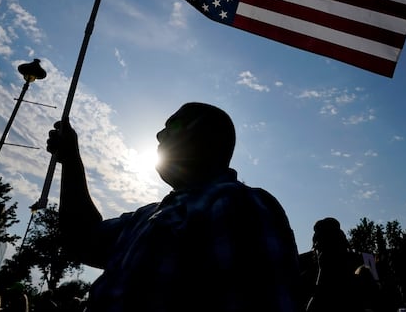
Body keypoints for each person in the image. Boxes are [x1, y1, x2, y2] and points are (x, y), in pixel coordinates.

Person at [47, 102, 301, 312]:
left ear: (209, 139)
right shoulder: (145, 215)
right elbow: (82, 239)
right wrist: (70, 160)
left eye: (174, 125)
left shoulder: (239, 202)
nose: (159, 135)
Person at [304, 217, 359, 312]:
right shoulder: (351, 265)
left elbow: (317, 300)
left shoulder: (326, 260)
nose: (316, 250)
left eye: (317, 246)